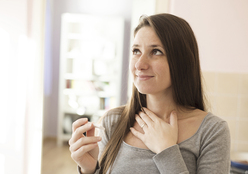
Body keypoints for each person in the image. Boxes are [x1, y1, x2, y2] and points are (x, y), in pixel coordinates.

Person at [69, 13, 231, 174]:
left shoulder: (212, 131)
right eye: (136, 51)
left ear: (182, 61)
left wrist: (167, 150)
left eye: (156, 52)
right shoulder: (113, 122)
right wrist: (89, 170)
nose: (140, 64)